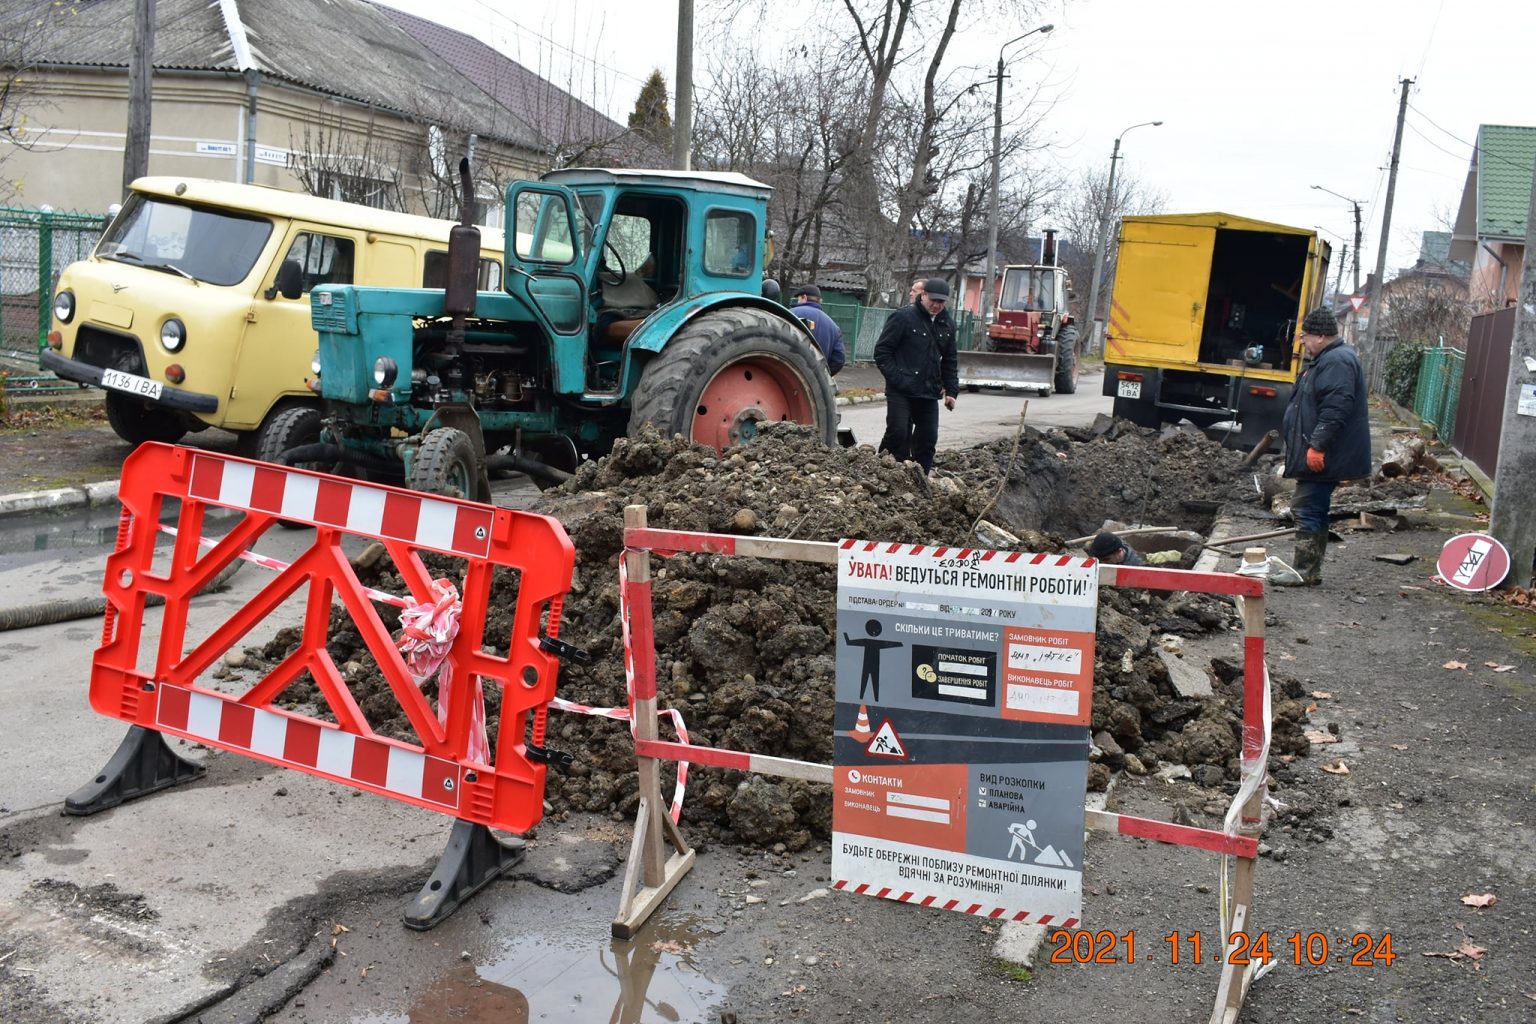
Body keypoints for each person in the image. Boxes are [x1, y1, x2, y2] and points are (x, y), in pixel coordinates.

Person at [1277, 306, 1371, 586]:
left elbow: (1335, 409)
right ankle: (1309, 570)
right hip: (1324, 451)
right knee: (1313, 507)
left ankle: (1305, 571)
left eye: (1305, 336)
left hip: (1325, 454)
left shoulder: (1336, 361)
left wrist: (1317, 446)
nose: (1303, 342)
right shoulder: (1329, 359)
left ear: (1320, 336)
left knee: (1307, 508)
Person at [873, 276, 959, 474]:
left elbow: (950, 360)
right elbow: (882, 352)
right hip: (900, 390)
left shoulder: (947, 324)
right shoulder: (904, 317)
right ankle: (882, 472)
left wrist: (951, 391)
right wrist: (898, 379)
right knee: (898, 433)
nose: (936, 305)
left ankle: (920, 480)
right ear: (924, 295)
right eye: (933, 300)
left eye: (941, 302)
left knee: (927, 439)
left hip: (928, 391)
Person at [790, 284, 846, 375]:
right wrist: (822, 376)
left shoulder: (790, 314)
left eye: (798, 299)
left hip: (788, 375)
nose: (798, 301)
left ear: (804, 297)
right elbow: (839, 359)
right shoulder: (833, 326)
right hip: (815, 379)